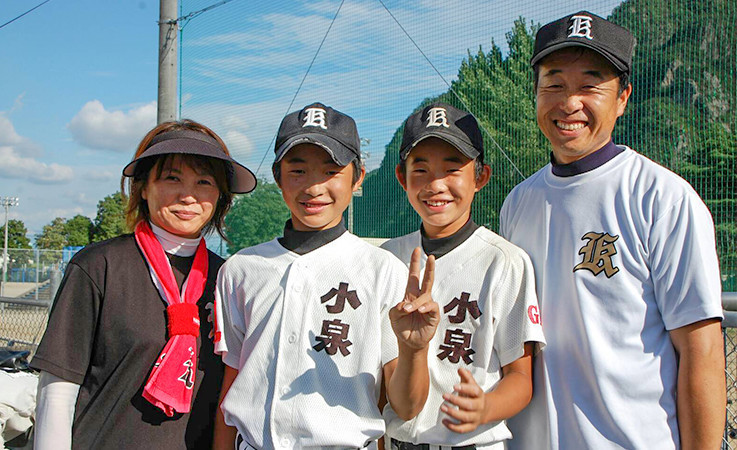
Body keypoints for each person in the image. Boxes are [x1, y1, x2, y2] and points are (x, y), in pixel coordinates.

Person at [500, 11, 725, 449]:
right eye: (554, 84)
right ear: (536, 94)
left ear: (623, 97)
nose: (570, 103)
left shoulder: (662, 198)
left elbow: (702, 352)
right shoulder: (518, 203)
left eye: (590, 85)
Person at [212, 102, 439, 450]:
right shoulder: (241, 269)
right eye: (298, 171)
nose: (314, 187)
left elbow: (406, 407)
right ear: (277, 176)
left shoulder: (382, 270)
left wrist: (414, 350)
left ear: (357, 176)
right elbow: (232, 385)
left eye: (331, 171)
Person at [31, 119, 257, 449]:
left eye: (204, 182)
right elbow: (58, 387)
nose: (188, 195)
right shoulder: (99, 265)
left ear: (221, 197)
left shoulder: (231, 279)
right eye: (172, 178)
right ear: (144, 187)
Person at [381, 102, 545, 449]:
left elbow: (521, 378)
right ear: (402, 178)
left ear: (480, 177)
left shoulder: (505, 261)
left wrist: (486, 407)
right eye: (421, 170)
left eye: (453, 169)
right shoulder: (385, 260)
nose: (436, 185)